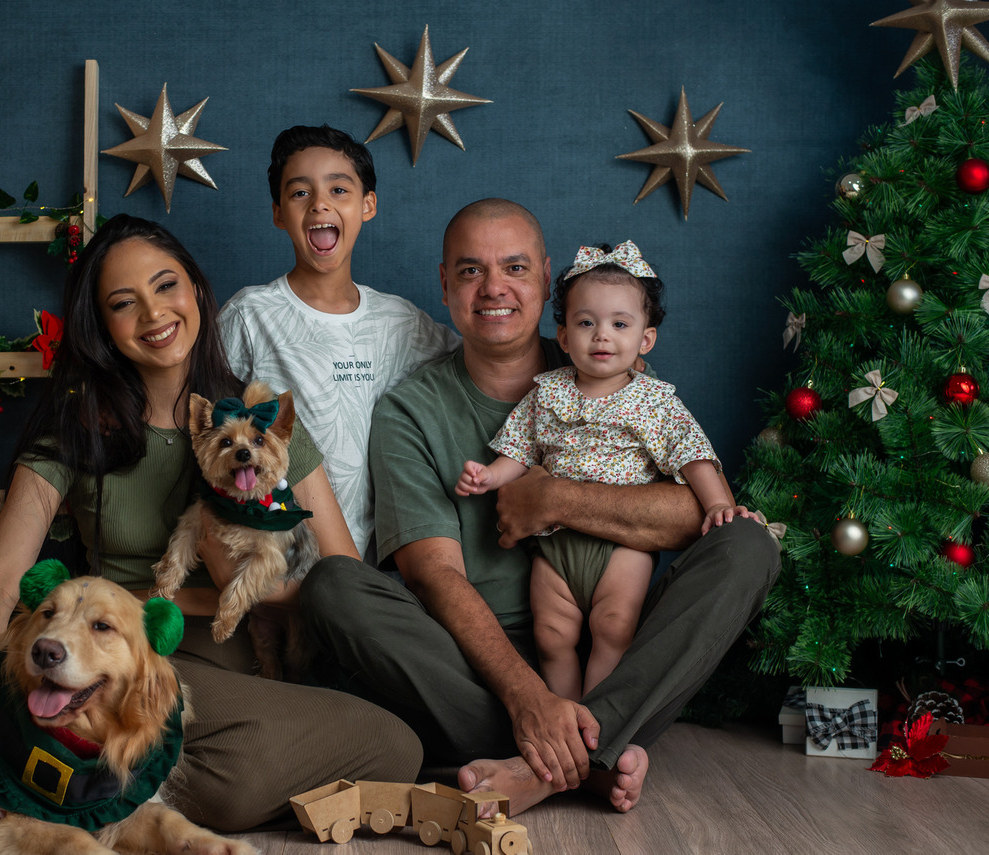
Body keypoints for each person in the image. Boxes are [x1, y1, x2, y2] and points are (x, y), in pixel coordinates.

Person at [301, 199, 780, 815]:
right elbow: (434, 575)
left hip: (616, 641)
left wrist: (555, 497)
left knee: (746, 544)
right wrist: (529, 698)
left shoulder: (608, 365)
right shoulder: (410, 411)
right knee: (335, 584)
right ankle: (596, 749)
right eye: (471, 271)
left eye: (516, 268)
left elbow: (693, 515)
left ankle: (550, 762)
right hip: (476, 671)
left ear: (547, 281)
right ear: (444, 285)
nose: (494, 287)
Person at [0, 215, 422, 832]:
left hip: (249, 671)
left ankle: (114, 789)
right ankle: (114, 784)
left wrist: (245, 589)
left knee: (390, 747)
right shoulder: (75, 432)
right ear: (102, 328)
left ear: (196, 290)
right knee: (364, 754)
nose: (152, 314)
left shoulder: (260, 421)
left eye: (166, 285)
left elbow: (343, 580)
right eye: (123, 303)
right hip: (131, 664)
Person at [455, 240, 756, 703]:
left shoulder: (654, 401)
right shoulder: (546, 393)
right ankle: (565, 717)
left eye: (619, 324)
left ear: (645, 339)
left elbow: (692, 454)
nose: (601, 336)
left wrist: (719, 504)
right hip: (555, 546)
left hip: (623, 544)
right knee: (553, 636)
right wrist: (491, 476)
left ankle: (597, 720)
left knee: (613, 629)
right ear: (563, 336)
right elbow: (519, 449)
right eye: (586, 323)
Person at [220, 124, 459, 560]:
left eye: (338, 189)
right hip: (278, 555)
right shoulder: (249, 316)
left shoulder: (400, 321)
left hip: (379, 563)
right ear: (278, 214)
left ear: (367, 204)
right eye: (299, 194)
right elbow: (200, 422)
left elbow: (480, 364)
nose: (320, 204)